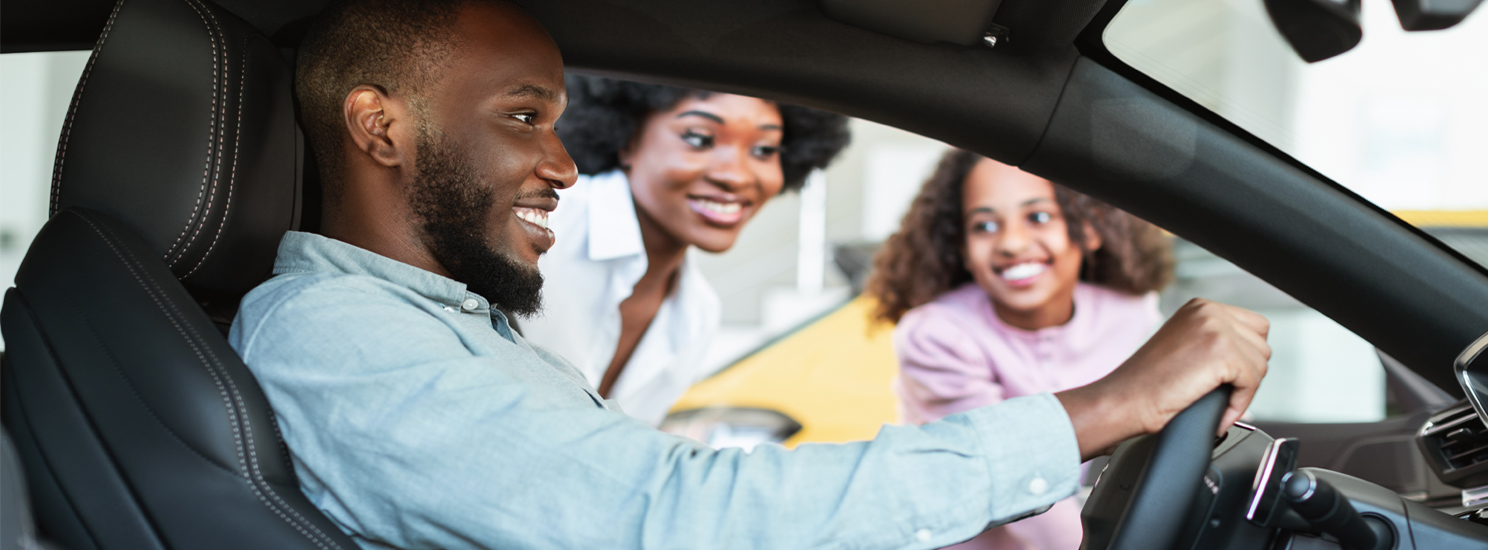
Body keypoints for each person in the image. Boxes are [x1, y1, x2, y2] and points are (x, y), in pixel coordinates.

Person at [231, 0, 1271, 548]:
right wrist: (1110, 403)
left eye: (555, 123)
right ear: (380, 126)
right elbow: (665, 514)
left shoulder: (454, 320)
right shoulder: (336, 331)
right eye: (521, 119)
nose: (561, 165)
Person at [867, 150, 1175, 550]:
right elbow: (1012, 478)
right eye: (985, 225)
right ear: (961, 247)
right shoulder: (937, 335)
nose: (1011, 242)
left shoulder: (1133, 316)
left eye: (1038, 217)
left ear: (1090, 228)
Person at [514, 76, 850, 425]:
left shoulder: (697, 314)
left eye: (764, 150)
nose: (735, 176)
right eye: (700, 139)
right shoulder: (547, 223)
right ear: (628, 139)